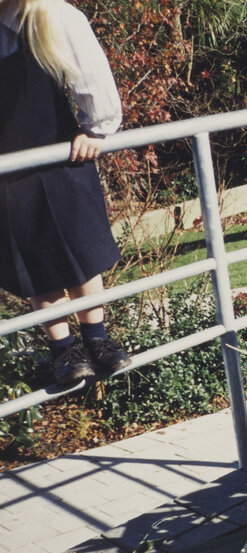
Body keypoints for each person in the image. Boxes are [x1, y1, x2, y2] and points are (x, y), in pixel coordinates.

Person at [0, 0, 130, 387]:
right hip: (8, 173)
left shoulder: (53, 15)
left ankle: (98, 340)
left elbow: (92, 77)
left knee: (81, 254)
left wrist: (97, 130)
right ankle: (65, 352)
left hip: (60, 158)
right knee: (35, 266)